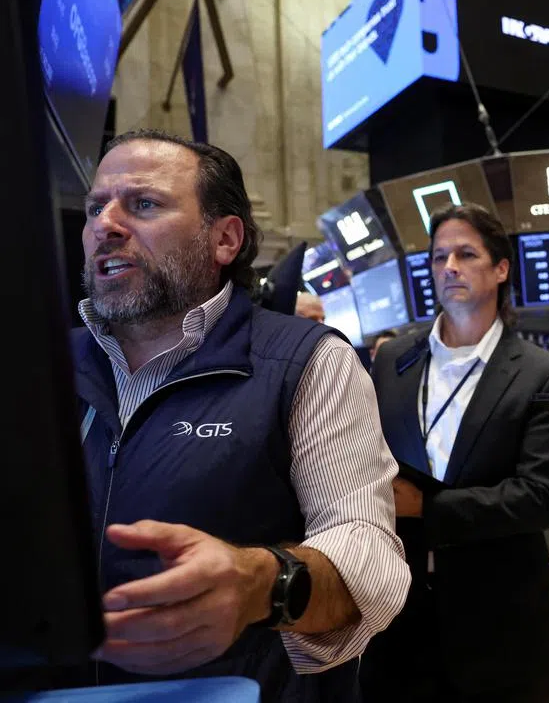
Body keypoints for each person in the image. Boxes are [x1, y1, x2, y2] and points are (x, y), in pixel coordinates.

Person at [70, 130, 410, 700]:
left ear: (225, 239)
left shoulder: (305, 362)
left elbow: (367, 549)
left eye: (144, 204)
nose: (106, 224)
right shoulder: (41, 362)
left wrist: (261, 583)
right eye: (95, 207)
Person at [359, 204, 549, 703]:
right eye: (438, 257)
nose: (449, 266)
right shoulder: (393, 360)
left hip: (501, 624)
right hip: (399, 619)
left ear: (500, 269)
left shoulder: (542, 373)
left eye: (465, 254)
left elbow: (538, 498)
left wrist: (425, 508)